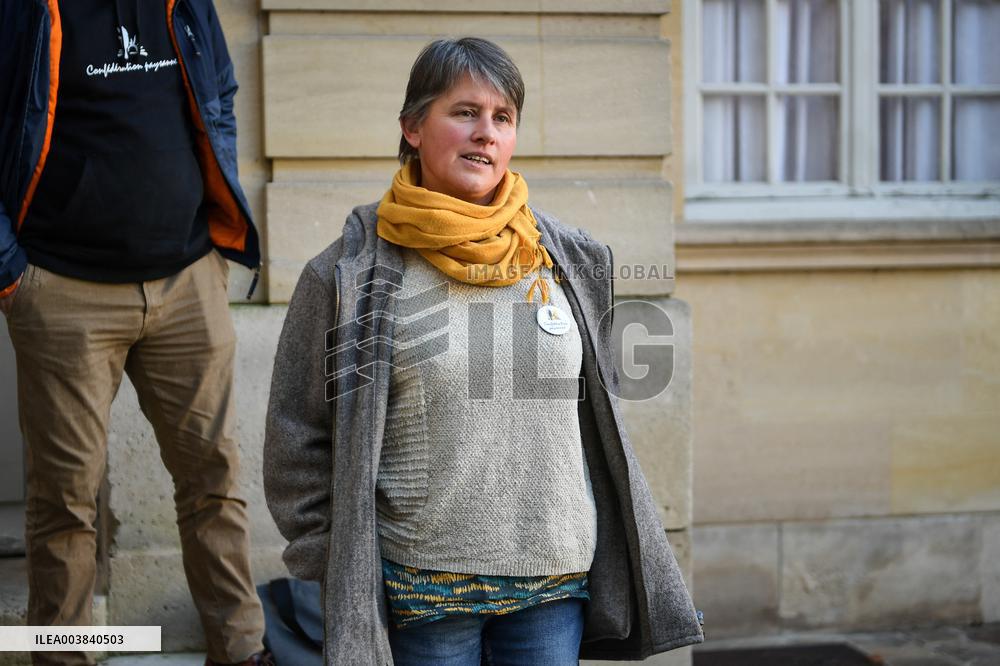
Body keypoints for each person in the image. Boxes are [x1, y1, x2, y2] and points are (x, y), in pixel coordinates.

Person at [263, 37, 702, 664]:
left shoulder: (570, 259)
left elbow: (594, 423)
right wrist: (336, 561)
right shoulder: (347, 275)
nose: (485, 134)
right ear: (413, 127)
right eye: (464, 112)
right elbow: (296, 436)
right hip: (422, 587)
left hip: (554, 583)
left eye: (503, 118)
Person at [0, 1, 270, 665]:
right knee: (64, 500)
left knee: (214, 477)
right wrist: (12, 273)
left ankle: (240, 650)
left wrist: (213, 234)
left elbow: (220, 93)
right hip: (62, 288)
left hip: (186, 280)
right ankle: (65, 656)